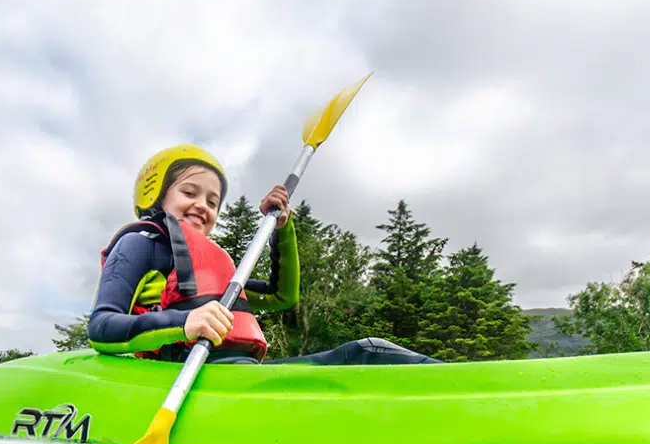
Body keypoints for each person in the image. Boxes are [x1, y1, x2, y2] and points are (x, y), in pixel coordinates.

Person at [87, 144, 440, 366]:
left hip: (238, 374)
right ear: (157, 197)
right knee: (369, 354)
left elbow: (282, 296)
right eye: (189, 192)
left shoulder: (218, 265)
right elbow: (102, 327)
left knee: (369, 352)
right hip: (178, 374)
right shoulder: (140, 245)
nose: (202, 206)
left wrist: (282, 228)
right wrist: (182, 323)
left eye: (212, 202)